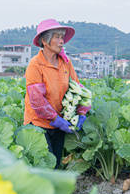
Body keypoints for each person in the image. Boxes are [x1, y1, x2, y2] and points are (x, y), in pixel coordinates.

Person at [24, 19, 91, 168]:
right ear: (45, 41)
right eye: (57, 37)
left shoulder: (65, 63)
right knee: (45, 165)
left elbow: (77, 88)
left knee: (55, 164)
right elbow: (37, 101)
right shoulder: (35, 65)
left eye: (62, 37)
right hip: (39, 124)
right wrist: (55, 119)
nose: (61, 41)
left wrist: (82, 112)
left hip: (60, 124)